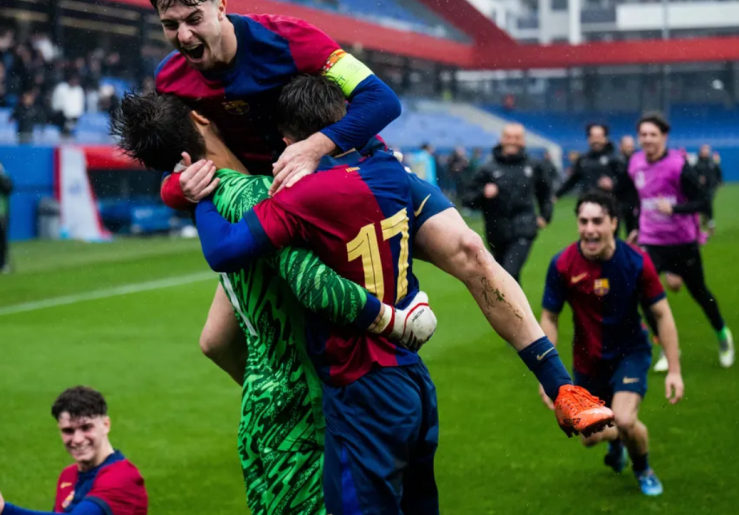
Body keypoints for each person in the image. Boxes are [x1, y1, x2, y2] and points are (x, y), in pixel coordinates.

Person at [113, 84, 614, 515]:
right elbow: (377, 108)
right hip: (370, 388)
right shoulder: (342, 181)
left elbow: (223, 327)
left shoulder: (256, 201)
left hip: (299, 404)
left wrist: (187, 195)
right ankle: (559, 384)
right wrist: (398, 322)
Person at [113, 90, 433, 515]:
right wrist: (397, 323)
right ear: (200, 118)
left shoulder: (210, 200)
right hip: (306, 411)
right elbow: (316, 286)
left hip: (259, 409)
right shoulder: (265, 195)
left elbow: (212, 341)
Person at [148, 0, 402, 209]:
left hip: (351, 171)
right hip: (268, 203)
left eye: (194, 19)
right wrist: (179, 191)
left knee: (442, 239)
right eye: (170, 25)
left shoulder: (292, 39)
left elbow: (382, 99)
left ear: (221, 8)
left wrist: (313, 148)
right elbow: (171, 167)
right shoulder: (169, 80)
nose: (183, 35)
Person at [540, 191, 683, 496]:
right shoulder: (563, 264)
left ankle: (643, 468)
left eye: (597, 221)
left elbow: (662, 314)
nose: (589, 229)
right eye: (583, 221)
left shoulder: (635, 261)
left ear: (613, 223)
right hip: (587, 362)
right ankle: (616, 440)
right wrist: (546, 376)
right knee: (589, 436)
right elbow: (549, 317)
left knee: (626, 419)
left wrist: (674, 369)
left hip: (630, 353)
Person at [627, 113, 733, 369]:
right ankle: (665, 347)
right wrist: (634, 229)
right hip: (652, 241)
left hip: (682, 242)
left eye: (653, 134)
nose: (648, 139)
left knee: (699, 292)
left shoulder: (679, 165)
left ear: (664, 137)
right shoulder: (635, 164)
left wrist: (675, 210)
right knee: (641, 292)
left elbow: (703, 201)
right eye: (643, 134)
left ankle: (722, 334)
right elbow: (634, 199)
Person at [0, 386, 148, 515]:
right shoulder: (68, 475)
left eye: (86, 428)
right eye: (68, 431)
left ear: (106, 425)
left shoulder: (122, 477)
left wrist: (4, 511)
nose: (77, 439)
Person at [463, 124, 553, 282]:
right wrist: (483, 194)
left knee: (507, 275)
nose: (512, 141)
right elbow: (467, 199)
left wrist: (545, 216)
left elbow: (545, 193)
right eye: (508, 137)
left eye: (517, 137)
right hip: (496, 231)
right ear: (501, 139)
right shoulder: (488, 169)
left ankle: (513, 307)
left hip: (524, 229)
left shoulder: (533, 166)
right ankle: (517, 308)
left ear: (523, 141)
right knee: (509, 279)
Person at [693, 144, 723, 233]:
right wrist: (698, 179)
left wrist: (719, 182)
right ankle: (706, 220)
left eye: (707, 150)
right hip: (700, 188)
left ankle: (710, 224)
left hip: (711, 187)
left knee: (708, 203)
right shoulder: (697, 162)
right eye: (704, 149)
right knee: (703, 205)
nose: (706, 151)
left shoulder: (712, 162)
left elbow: (718, 172)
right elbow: (692, 174)